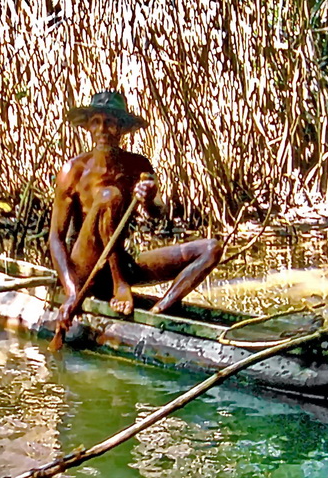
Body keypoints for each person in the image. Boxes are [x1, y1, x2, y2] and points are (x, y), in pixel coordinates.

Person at [49, 90, 222, 334]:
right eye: (96, 122)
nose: (103, 130)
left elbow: (157, 213)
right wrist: (71, 292)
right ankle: (120, 286)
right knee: (110, 196)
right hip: (86, 268)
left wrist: (150, 197)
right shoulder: (74, 170)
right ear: (88, 126)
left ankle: (160, 310)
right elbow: (56, 237)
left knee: (211, 248)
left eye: (110, 123)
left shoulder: (138, 165)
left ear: (122, 129)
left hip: (121, 260)